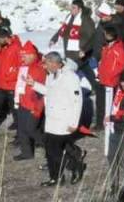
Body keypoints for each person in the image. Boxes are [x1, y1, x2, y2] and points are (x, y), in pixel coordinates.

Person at [29, 52, 86, 186]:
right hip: (51, 120)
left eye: (47, 63)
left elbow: (77, 101)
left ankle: (75, 167)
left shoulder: (70, 77)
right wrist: (34, 84)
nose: (44, 66)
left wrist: (74, 123)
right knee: (50, 151)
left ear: (55, 63)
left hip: (63, 121)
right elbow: (50, 91)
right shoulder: (51, 75)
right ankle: (56, 178)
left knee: (54, 151)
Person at [13, 42, 47, 161]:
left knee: (31, 129)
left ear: (33, 55)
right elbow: (19, 85)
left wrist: (37, 108)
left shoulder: (39, 69)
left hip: (33, 105)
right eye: (22, 55)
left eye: (25, 55)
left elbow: (41, 92)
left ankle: (51, 146)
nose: (22, 58)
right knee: (22, 129)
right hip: (23, 102)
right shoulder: (23, 67)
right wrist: (17, 99)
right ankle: (26, 152)